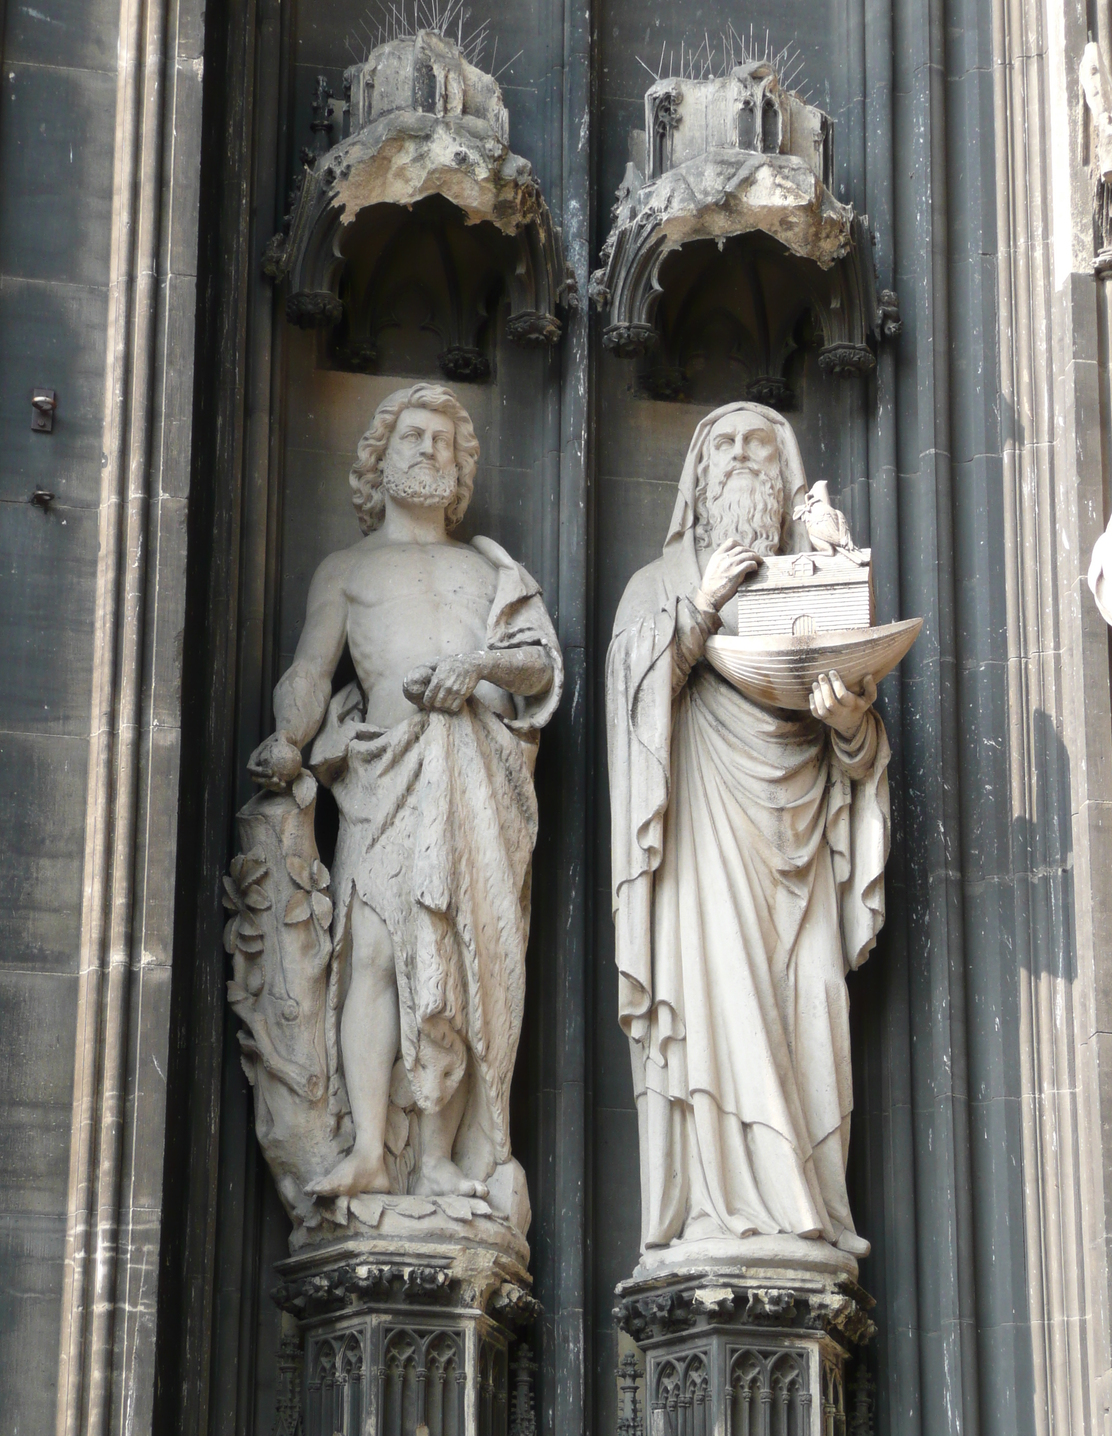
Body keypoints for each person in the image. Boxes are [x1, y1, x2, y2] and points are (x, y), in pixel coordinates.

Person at [248, 384, 561, 1204]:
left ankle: (441, 1158)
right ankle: (369, 1155)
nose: (430, 450)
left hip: (472, 777)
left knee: (454, 960)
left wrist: (478, 669)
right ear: (378, 461)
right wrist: (289, 738)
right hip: (383, 775)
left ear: (460, 471)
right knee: (378, 958)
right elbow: (313, 672)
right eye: (412, 437)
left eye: (444, 442)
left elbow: (536, 664)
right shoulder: (348, 571)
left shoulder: (486, 570)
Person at [606, 403, 889, 1262]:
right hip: (701, 844)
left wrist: (849, 726)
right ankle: (716, 1216)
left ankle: (810, 1211)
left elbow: (860, 747)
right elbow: (630, 712)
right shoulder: (655, 587)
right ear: (695, 475)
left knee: (812, 1011)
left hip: (798, 846)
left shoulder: (817, 584)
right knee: (714, 1007)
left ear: (784, 469)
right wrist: (697, 612)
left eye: (757, 444)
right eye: (720, 445)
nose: (738, 457)